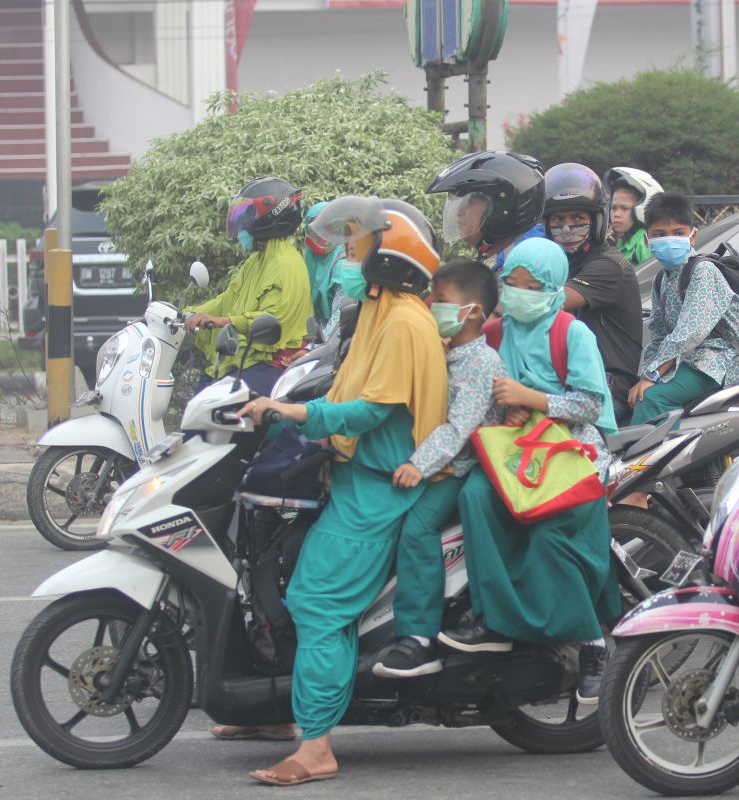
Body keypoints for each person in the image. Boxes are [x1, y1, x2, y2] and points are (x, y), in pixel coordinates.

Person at [236, 196, 448, 787]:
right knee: (316, 599)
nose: (348, 257)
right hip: (359, 480)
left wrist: (292, 412)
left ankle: (315, 747)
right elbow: (342, 391)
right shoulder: (378, 315)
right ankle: (295, 720)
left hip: (380, 491)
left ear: (390, 258)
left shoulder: (404, 321)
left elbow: (367, 412)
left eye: (358, 246)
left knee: (318, 604)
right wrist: (294, 411)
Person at [439, 237, 621, 705]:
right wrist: (510, 410)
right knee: (475, 498)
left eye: (530, 286)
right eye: (511, 283)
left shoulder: (570, 333)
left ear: (555, 288)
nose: (518, 293)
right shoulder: (497, 332)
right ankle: (492, 616)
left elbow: (590, 403)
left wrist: (532, 400)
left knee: (549, 533)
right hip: (512, 448)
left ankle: (592, 643)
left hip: (567, 448)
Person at [370, 259, 507, 678]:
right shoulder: (444, 352)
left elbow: (459, 429)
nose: (432, 307)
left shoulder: (481, 364)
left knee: (417, 529)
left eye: (442, 301)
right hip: (441, 460)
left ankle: (418, 637)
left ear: (473, 312)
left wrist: (419, 465)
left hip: (461, 467)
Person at [185, 177, 314, 396]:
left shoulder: (286, 264)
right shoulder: (256, 261)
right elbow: (228, 299)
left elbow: (274, 316)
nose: (243, 225)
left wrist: (224, 321)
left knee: (221, 408)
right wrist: (190, 313)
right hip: (251, 358)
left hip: (272, 362)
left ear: (269, 218)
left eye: (249, 216)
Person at [630, 191, 739, 424]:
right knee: (638, 394)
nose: (669, 240)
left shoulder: (703, 271)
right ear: (647, 240)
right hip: (685, 363)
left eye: (678, 233)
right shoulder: (662, 279)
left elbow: (689, 332)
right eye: (659, 235)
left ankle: (653, 460)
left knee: (652, 399)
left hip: (715, 364)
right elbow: (659, 335)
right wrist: (645, 375)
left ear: (692, 237)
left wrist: (652, 375)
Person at [543, 162, 644, 424]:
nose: (567, 228)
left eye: (578, 218)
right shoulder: (565, 262)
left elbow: (547, 302)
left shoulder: (609, 265)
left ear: (596, 220)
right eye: (558, 219)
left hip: (606, 386)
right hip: (570, 379)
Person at [426, 150, 546, 273]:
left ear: (501, 210)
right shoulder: (498, 260)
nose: (459, 210)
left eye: (471, 200)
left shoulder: (525, 270)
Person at [302, 201, 347, 341]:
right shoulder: (309, 259)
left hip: (334, 343)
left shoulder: (343, 265)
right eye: (316, 228)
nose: (322, 234)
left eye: (328, 227)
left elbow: (339, 320)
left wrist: (311, 350)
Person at [604, 166, 663, 266]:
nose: (616, 214)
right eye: (613, 207)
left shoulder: (644, 243)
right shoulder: (623, 242)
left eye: (624, 208)